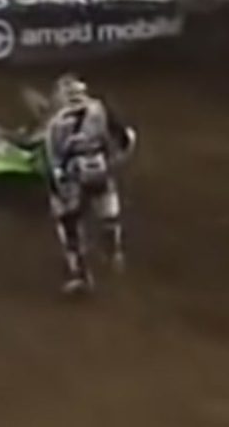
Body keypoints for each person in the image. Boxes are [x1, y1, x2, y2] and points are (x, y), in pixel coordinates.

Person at [42, 74, 134, 296]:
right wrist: (116, 160)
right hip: (99, 169)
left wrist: (57, 189)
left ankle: (79, 274)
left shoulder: (54, 124)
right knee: (107, 211)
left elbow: (53, 161)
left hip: (72, 175)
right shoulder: (99, 109)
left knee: (69, 223)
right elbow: (126, 138)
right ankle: (113, 250)